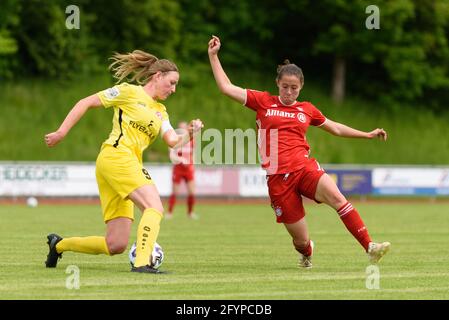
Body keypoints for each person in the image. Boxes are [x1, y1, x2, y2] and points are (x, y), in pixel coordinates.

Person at [208, 35, 390, 268]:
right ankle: (307, 251)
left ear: (301, 87)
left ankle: (370, 247)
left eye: (294, 88)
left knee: (337, 197)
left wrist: (367, 134)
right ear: (277, 84)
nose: (289, 92)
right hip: (277, 179)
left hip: (305, 168)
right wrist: (213, 56)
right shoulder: (263, 101)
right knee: (300, 240)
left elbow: (334, 127)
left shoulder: (307, 110)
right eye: (285, 87)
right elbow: (226, 87)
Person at [44, 50, 203, 273]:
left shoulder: (161, 111)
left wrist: (190, 133)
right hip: (116, 157)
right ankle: (141, 263)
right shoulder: (128, 92)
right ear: (157, 76)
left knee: (115, 244)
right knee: (154, 207)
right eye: (171, 83)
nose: (174, 89)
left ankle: (58, 245)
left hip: (123, 165)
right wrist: (62, 132)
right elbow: (86, 102)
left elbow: (173, 142)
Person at [166, 121, 198, 220]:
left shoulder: (192, 140)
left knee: (192, 192)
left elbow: (194, 153)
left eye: (184, 128)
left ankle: (190, 213)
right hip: (178, 168)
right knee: (175, 192)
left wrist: (193, 164)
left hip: (188, 169)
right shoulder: (174, 141)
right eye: (180, 128)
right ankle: (170, 212)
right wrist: (181, 160)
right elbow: (171, 155)